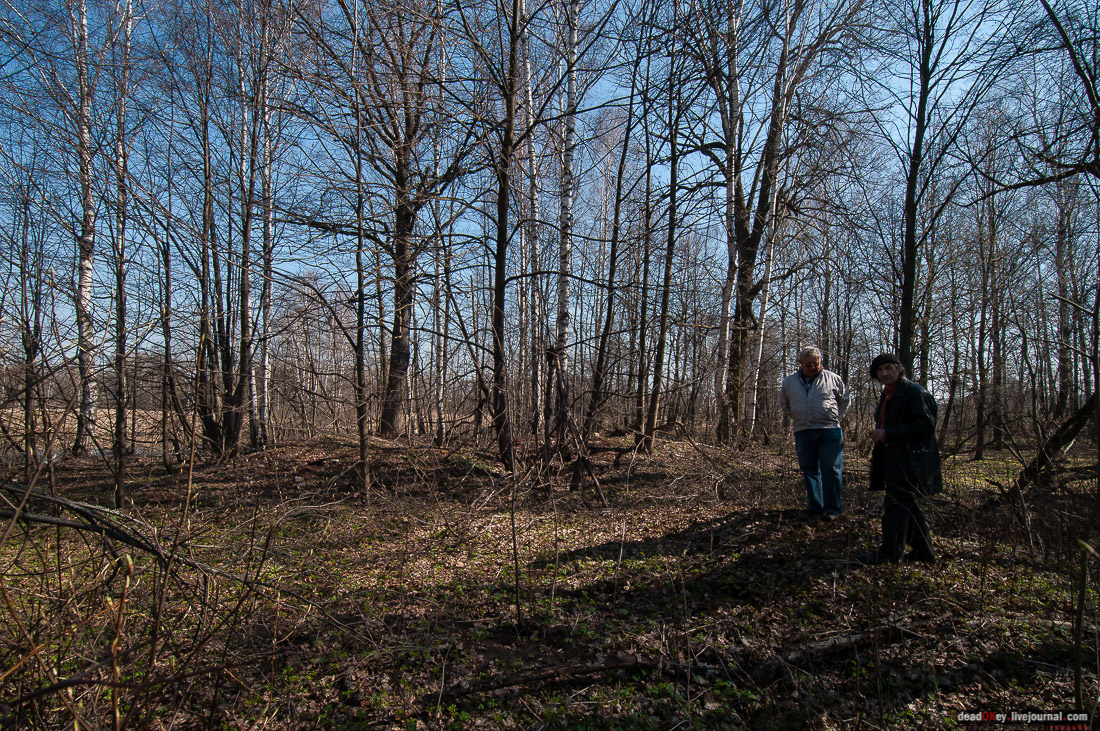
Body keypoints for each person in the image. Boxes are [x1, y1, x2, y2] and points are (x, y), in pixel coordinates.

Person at [864, 353, 942, 565]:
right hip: (895, 459)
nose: (885, 373)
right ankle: (924, 553)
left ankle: (890, 555)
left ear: (899, 369)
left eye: (889, 368)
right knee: (907, 506)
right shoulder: (888, 395)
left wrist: (888, 433)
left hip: (912, 461)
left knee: (896, 506)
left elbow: (925, 425)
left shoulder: (915, 392)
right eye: (880, 370)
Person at [780, 347, 850, 520]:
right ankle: (815, 505)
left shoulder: (833, 379)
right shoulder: (789, 382)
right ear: (800, 364)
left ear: (820, 363)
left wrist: (834, 417)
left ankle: (832, 509)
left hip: (830, 431)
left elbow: (845, 400)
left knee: (831, 468)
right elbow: (785, 405)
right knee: (809, 469)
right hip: (803, 430)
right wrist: (799, 416)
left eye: (815, 364)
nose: (812, 367)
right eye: (808, 364)